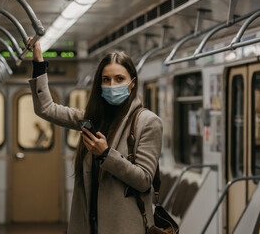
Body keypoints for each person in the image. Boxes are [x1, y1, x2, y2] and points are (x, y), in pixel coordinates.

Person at [28, 39, 163, 234]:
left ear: (132, 83)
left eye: (119, 79)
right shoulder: (93, 119)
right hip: (90, 224)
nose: (111, 85)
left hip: (123, 227)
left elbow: (144, 180)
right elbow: (46, 109)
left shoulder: (148, 122)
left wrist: (106, 154)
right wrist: (39, 62)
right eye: (106, 80)